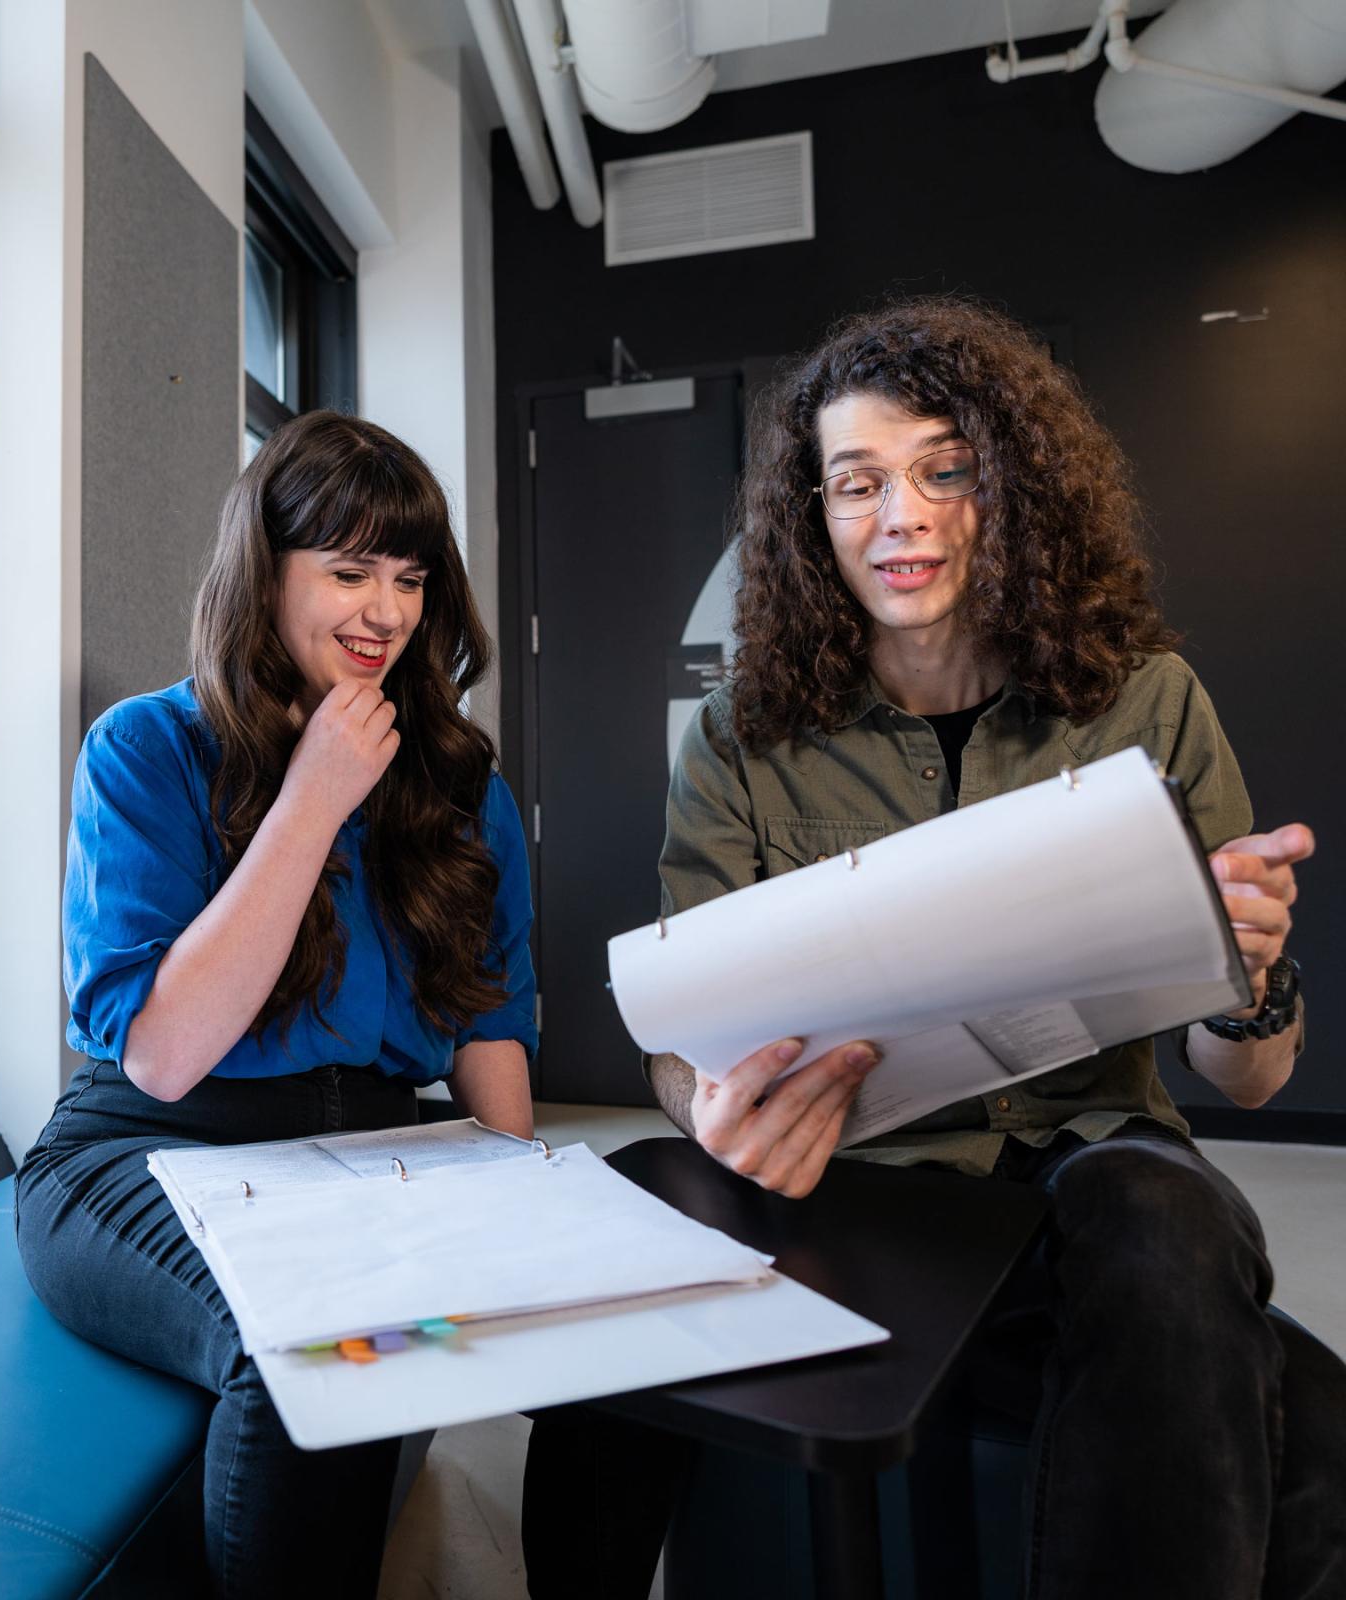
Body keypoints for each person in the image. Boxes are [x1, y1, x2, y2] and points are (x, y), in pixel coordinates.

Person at [522, 298, 1344, 1599]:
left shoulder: (1147, 697)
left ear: (1012, 490)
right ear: (815, 516)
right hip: (855, 1178)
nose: (898, 515)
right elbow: (682, 1047)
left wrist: (1252, 980)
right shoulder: (740, 735)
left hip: (1090, 1177)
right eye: (858, 483)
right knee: (628, 1197)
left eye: (943, 470)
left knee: (1169, 1210)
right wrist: (714, 1109)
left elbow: (1248, 1081)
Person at [16, 411, 537, 1599]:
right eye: (347, 571)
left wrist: (520, 1195)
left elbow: (492, 1015)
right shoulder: (146, 748)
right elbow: (160, 1052)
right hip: (146, 1151)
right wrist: (311, 800)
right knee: (304, 1340)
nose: (384, 612)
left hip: (362, 1148)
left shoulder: (462, 785)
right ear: (266, 573)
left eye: (407, 579)